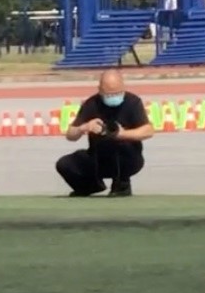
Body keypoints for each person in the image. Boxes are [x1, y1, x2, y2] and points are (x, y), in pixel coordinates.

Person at [56, 69, 154, 197]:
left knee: (115, 142)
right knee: (64, 164)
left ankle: (121, 185)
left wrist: (121, 134)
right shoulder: (91, 104)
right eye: (109, 95)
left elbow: (148, 131)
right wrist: (83, 127)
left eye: (117, 93)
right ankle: (90, 186)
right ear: (100, 90)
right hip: (98, 157)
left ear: (124, 88)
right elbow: (70, 134)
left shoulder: (132, 102)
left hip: (127, 158)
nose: (113, 97)